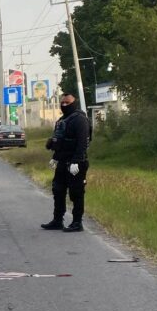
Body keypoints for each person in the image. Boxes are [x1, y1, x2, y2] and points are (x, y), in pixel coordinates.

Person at [41, 93, 91, 232]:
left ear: (74, 102)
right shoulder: (63, 120)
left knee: (76, 193)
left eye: (67, 102)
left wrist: (76, 161)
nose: (64, 105)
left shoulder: (80, 120)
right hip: (62, 162)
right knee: (58, 190)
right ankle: (58, 220)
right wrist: (55, 157)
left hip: (76, 163)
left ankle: (77, 222)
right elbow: (59, 141)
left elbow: (82, 143)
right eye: (62, 102)